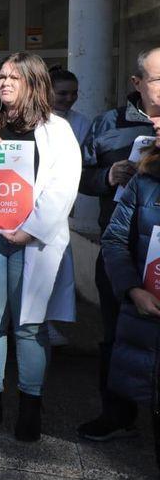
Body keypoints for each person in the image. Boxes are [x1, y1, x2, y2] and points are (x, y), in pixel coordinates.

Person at [0, 52, 81, 442]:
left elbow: (62, 187)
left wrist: (31, 229)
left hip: (33, 240)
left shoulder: (57, 131)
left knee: (30, 324)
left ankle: (30, 406)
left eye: (14, 78)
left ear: (34, 84)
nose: (5, 82)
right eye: (2, 76)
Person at [77, 47, 160, 441]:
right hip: (121, 249)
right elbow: (81, 175)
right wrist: (107, 176)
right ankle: (117, 414)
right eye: (158, 79)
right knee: (116, 335)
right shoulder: (107, 123)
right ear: (137, 83)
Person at [99, 138, 160, 466]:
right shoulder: (145, 180)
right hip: (148, 319)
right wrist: (134, 290)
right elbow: (114, 239)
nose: (155, 124)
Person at [47, 68, 92, 348]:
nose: (69, 99)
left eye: (74, 93)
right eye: (62, 93)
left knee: (55, 269)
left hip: (61, 205)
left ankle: (47, 323)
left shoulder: (81, 122)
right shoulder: (32, 121)